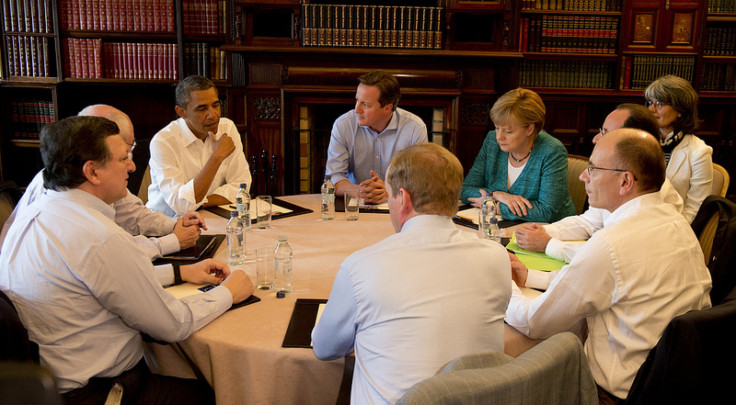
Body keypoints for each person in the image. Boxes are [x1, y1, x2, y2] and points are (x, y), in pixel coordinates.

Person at [0, 116, 254, 404]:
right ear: (92, 171)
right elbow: (172, 324)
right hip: (102, 392)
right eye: (124, 158)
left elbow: (91, 284)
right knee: (225, 393)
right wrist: (228, 293)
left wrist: (179, 274)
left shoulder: (37, 212)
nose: (133, 166)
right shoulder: (98, 236)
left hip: (49, 384)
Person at [505, 128, 712, 402]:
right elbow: (608, 282)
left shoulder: (611, 244)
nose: (582, 176)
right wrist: (530, 276)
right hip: (675, 384)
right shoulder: (676, 223)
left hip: (611, 394)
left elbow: (535, 322)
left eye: (592, 168)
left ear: (625, 181)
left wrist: (502, 281)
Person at [312, 142, 511, 404]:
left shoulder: (361, 267)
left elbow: (325, 348)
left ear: (403, 199)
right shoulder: (496, 257)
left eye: (390, 195)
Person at [0, 105, 219, 287]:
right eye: (124, 152)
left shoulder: (85, 185)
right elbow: (167, 321)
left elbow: (134, 215)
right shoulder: (63, 204)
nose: (132, 165)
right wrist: (172, 242)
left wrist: (174, 226)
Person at [515, 104, 685, 272]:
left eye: (605, 133)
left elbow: (608, 257)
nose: (595, 138)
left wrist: (548, 244)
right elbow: (589, 222)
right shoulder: (616, 180)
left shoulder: (651, 199)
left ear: (633, 142)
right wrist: (541, 231)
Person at [461, 88, 576, 223]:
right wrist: (497, 195)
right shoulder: (492, 141)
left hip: (550, 233)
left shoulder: (552, 151)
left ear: (529, 129)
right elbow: (465, 190)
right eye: (497, 128)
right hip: (504, 228)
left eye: (508, 131)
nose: (499, 137)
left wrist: (495, 207)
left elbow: (546, 211)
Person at [146, 75, 252, 217]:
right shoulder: (164, 142)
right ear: (181, 112)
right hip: (166, 225)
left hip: (212, 215)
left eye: (215, 105)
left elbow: (242, 186)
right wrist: (216, 158)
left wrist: (200, 202)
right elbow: (181, 206)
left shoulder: (227, 128)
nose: (213, 115)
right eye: (202, 109)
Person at [325, 71, 427, 204]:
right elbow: (334, 178)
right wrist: (363, 192)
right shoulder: (343, 125)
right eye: (357, 100)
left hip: (401, 205)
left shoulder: (415, 128)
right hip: (357, 204)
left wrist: (389, 192)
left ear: (387, 108)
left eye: (365, 104)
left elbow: (421, 181)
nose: (357, 109)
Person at [645, 75, 713, 223]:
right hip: (639, 221)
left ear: (680, 109)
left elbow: (696, 208)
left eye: (659, 103)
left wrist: (675, 233)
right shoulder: (642, 142)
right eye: (650, 102)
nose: (651, 109)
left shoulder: (699, 152)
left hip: (673, 228)